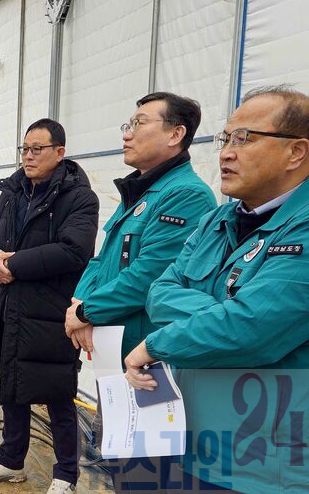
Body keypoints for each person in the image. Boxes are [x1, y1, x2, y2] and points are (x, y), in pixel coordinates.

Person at [125, 86, 309, 493]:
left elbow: (252, 330)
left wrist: (155, 344)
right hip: (191, 443)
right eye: (225, 139)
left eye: (244, 139)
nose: (226, 153)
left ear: (296, 152)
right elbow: (159, 291)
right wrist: (224, 313)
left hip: (264, 465)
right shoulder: (218, 220)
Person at [63, 92, 216, 492]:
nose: (127, 134)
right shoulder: (142, 193)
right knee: (120, 462)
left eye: (139, 124)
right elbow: (102, 259)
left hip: (149, 363)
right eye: (127, 125)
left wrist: (86, 312)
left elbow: (150, 275)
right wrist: (80, 304)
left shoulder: (186, 195)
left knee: (145, 471)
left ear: (175, 134)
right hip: (118, 355)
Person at [0, 118, 100, 494]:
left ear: (59, 152)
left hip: (49, 313)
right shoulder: (12, 192)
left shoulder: (79, 198)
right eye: (24, 149)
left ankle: (66, 475)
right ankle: (11, 460)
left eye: (36, 149)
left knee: (58, 394)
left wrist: (12, 264)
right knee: (11, 385)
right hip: (8, 306)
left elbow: (73, 250)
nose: (28, 156)